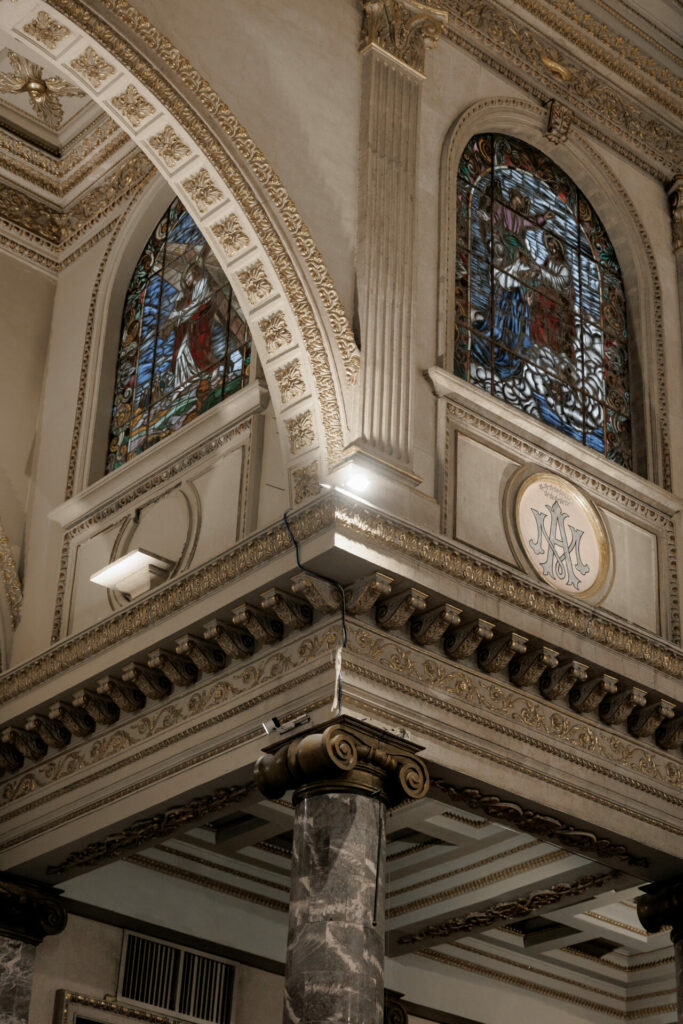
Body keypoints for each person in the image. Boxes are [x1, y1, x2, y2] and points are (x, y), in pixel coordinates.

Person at [164, 258, 217, 387]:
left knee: (187, 353)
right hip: (193, 326)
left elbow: (197, 305)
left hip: (200, 325)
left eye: (188, 276)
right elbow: (190, 307)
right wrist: (177, 316)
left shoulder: (203, 283)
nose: (186, 281)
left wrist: (179, 315)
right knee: (181, 355)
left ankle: (195, 378)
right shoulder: (192, 292)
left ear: (194, 272)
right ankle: (187, 383)